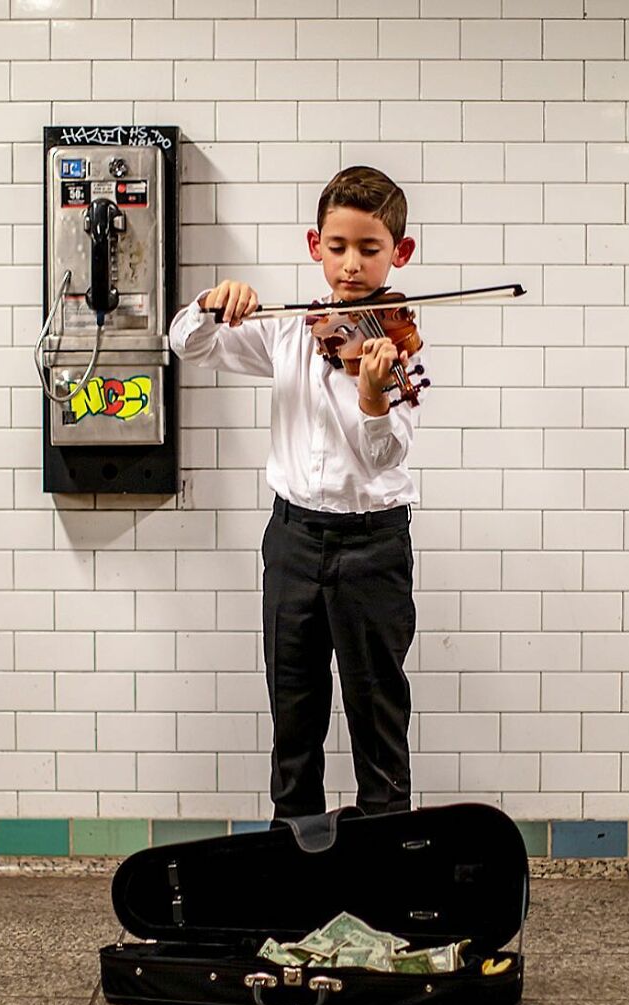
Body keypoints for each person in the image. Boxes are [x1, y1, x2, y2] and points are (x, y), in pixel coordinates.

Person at [169, 165, 425, 821]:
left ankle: (383, 869)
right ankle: (295, 865)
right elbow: (187, 343)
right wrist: (210, 302)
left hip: (372, 548)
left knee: (377, 719)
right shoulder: (287, 329)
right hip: (292, 543)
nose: (350, 266)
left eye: (369, 250)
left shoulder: (400, 344)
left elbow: (385, 455)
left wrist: (372, 399)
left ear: (400, 253)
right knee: (295, 715)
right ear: (316, 246)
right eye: (338, 248)